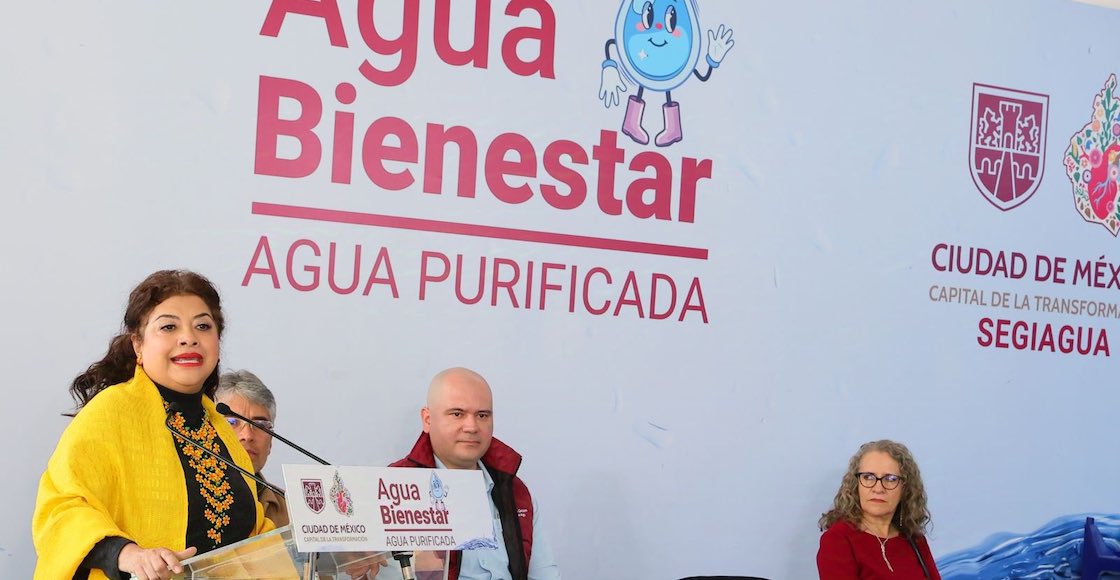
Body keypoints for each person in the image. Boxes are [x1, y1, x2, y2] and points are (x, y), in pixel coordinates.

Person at [32, 270, 273, 580]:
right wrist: (128, 554)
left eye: (202, 326)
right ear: (138, 344)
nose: (188, 337)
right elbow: (60, 508)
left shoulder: (221, 429)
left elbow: (253, 535)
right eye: (169, 327)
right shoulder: (111, 411)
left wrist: (315, 547)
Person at [390, 367, 561, 580]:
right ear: (427, 419)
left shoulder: (515, 492)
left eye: (482, 415)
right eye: (457, 414)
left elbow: (545, 574)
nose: (471, 427)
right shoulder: (394, 488)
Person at [817, 440, 941, 580]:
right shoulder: (838, 540)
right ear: (856, 484)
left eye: (891, 479)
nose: (878, 488)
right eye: (868, 477)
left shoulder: (915, 540)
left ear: (905, 488)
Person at [215, 369, 289, 527]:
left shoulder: (291, 511)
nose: (247, 435)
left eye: (260, 425)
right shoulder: (183, 501)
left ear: (270, 441)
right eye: (232, 422)